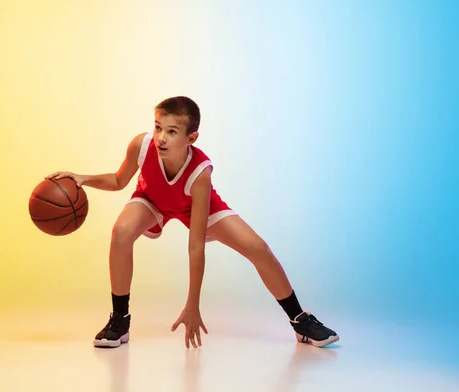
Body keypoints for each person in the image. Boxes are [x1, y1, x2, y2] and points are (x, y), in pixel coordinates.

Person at [47, 96, 339, 349]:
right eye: (158, 127)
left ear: (191, 138)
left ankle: (300, 320)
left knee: (258, 248)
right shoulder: (142, 145)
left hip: (195, 207)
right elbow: (118, 180)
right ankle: (120, 320)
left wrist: (193, 304)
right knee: (121, 232)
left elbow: (195, 247)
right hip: (153, 200)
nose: (161, 137)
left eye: (172, 132)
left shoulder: (200, 174)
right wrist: (82, 178)